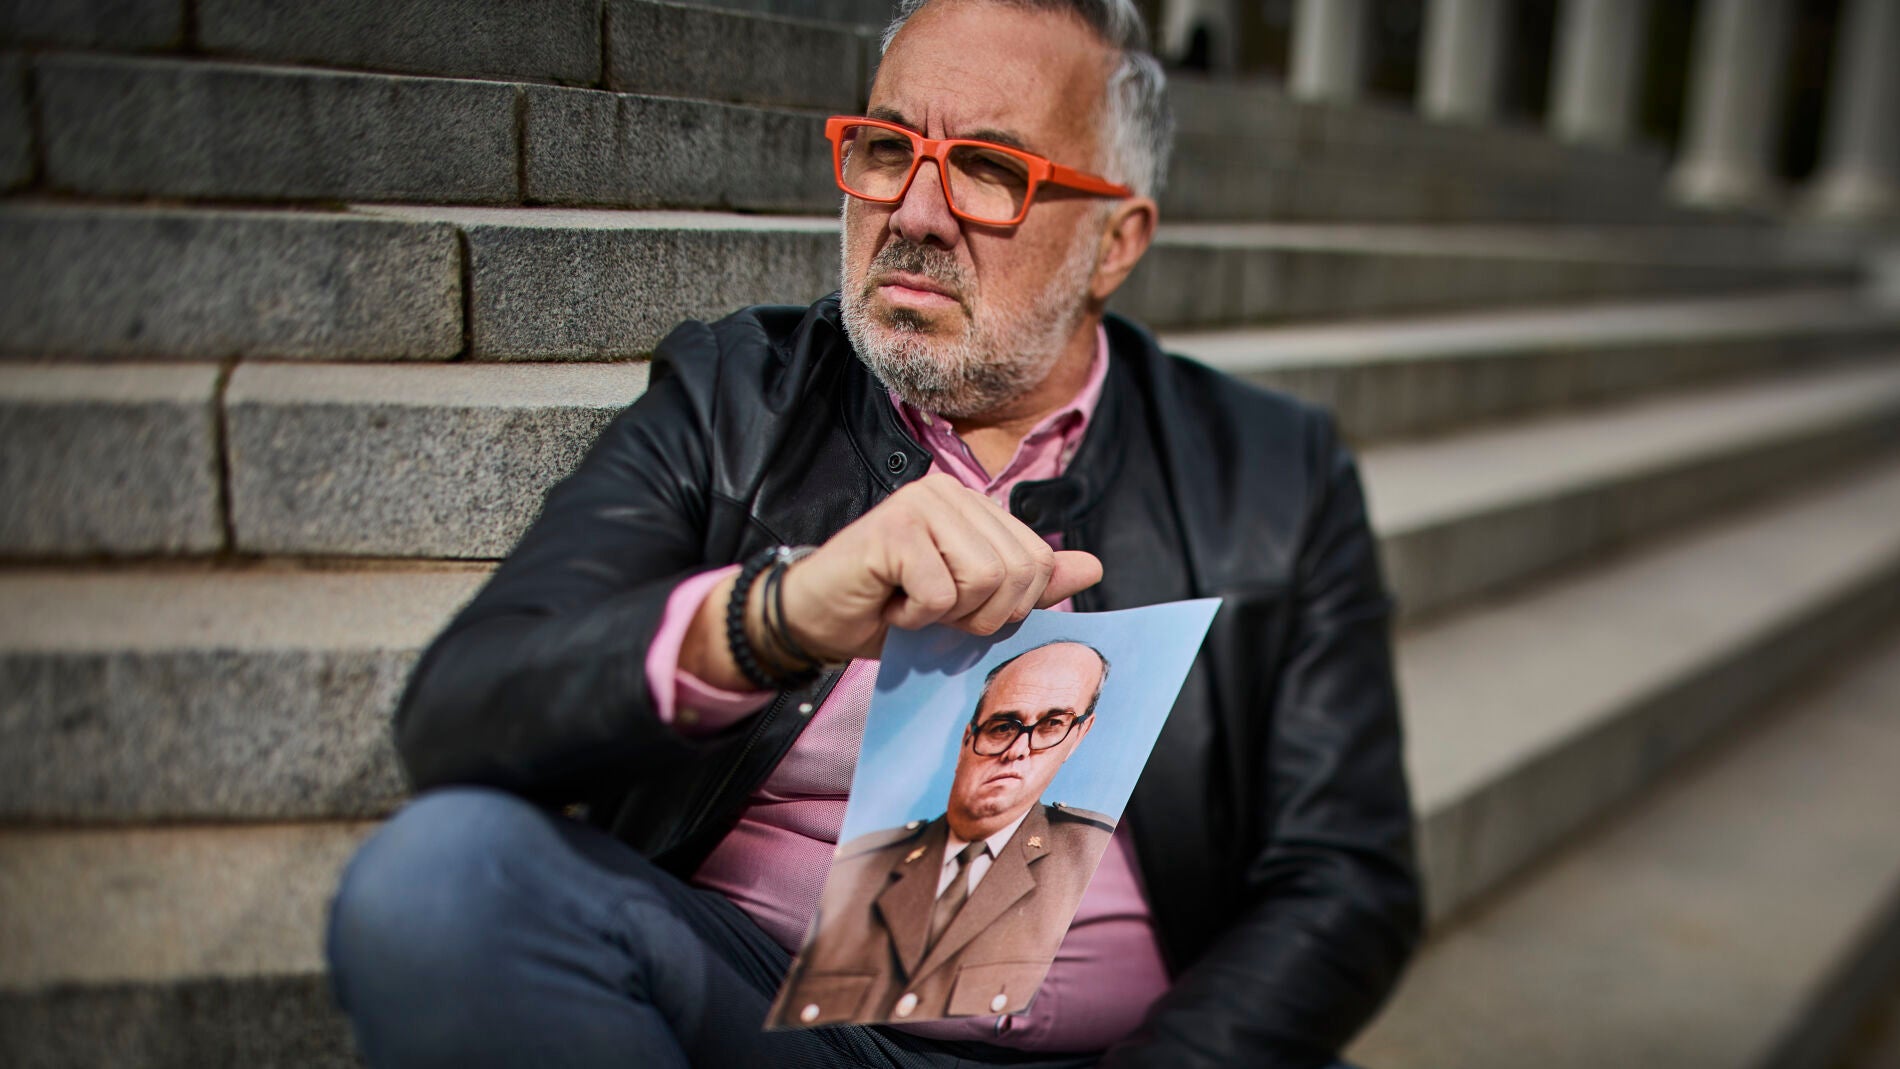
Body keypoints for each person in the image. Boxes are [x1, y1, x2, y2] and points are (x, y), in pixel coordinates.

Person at [326, 0, 1421, 1066]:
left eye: (990, 169)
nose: (917, 213)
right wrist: (771, 618)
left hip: (1138, 1048)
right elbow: (466, 710)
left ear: (1112, 242)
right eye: (889, 149)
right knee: (440, 880)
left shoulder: (1268, 474)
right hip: (756, 1009)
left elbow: (1344, 878)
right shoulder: (737, 403)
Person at [768, 641, 1118, 1028]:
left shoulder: (1084, 847)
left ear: (1079, 735)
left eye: (1052, 725)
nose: (1018, 750)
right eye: (1003, 727)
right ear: (968, 739)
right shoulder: (867, 856)